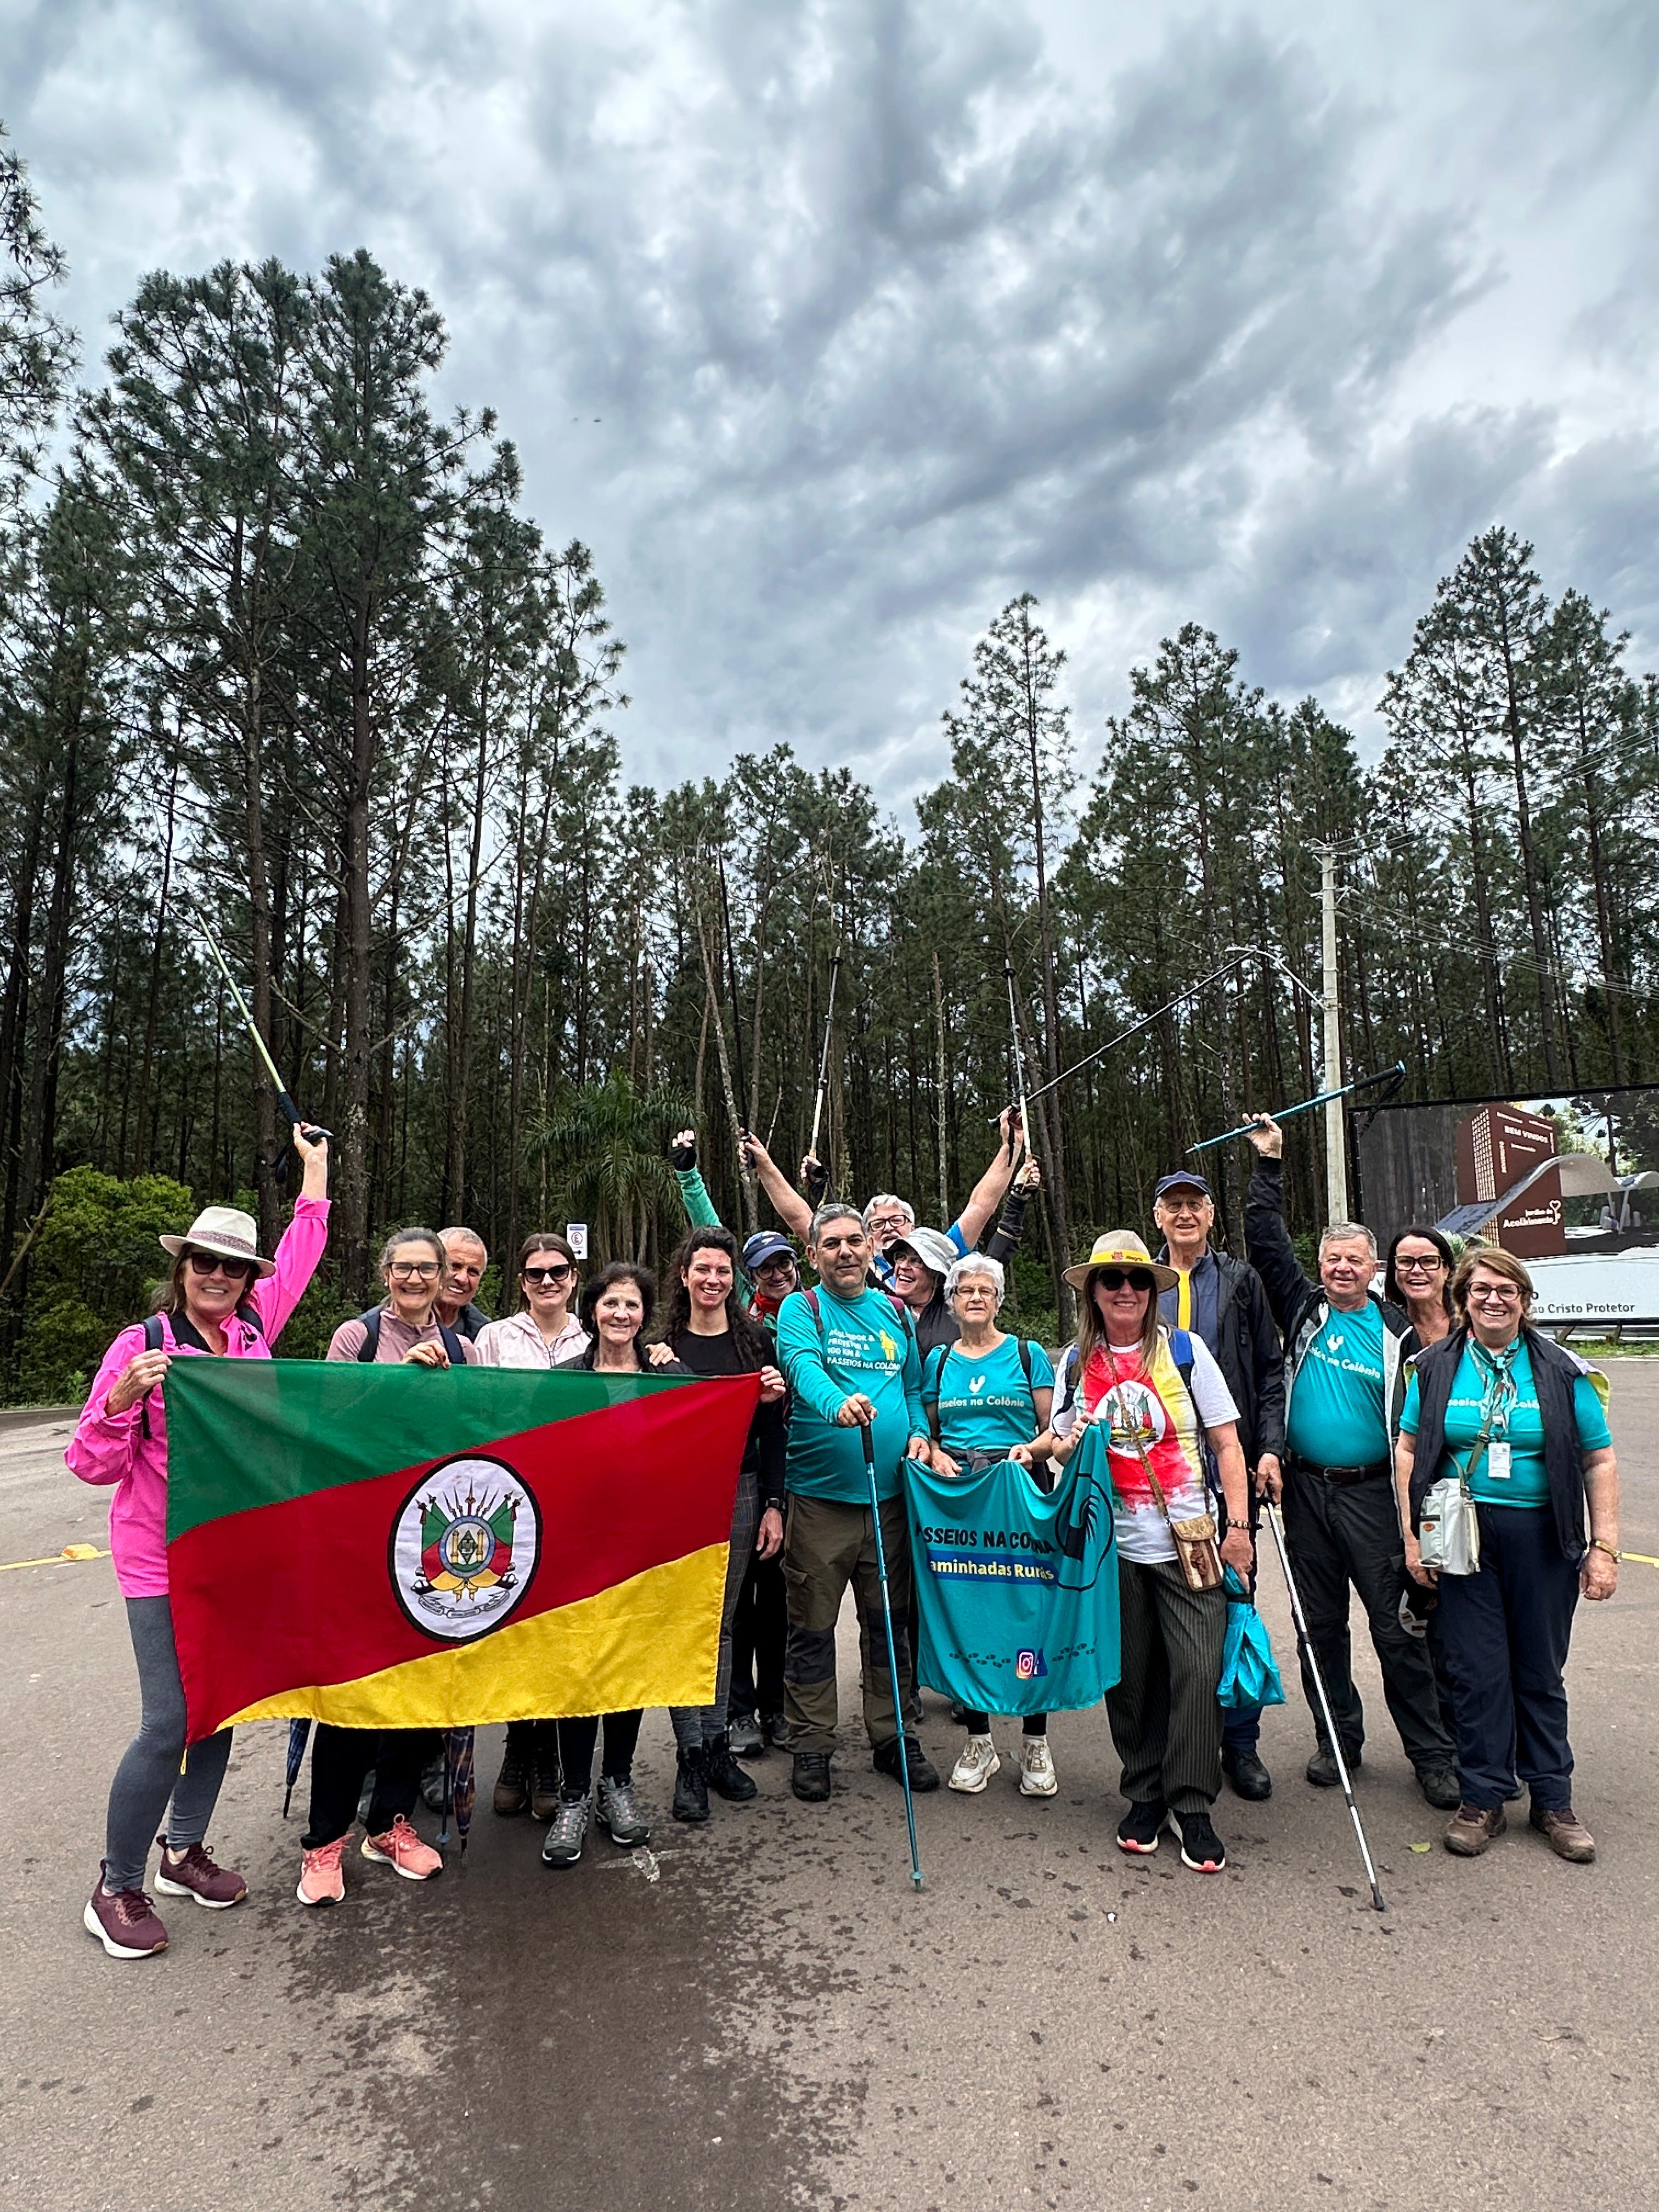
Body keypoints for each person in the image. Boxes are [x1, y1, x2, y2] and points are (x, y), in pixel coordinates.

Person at [70, 1130, 331, 1958]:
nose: (219, 1276)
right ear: (182, 1268)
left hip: (231, 1556)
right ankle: (115, 1885)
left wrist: (315, 1168)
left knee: (219, 1705)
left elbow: (303, 1251)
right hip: (159, 1561)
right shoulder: (143, 1345)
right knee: (168, 1721)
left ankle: (182, 1852)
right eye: (205, 1263)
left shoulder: (253, 1330)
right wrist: (118, 1401)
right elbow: (88, 1463)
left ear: (249, 1280)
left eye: (233, 1267)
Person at [1244, 1116, 1459, 1809]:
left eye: (1355, 1260)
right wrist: (1270, 1164)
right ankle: (1337, 1740)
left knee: (1396, 1631)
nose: (1342, 1268)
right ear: (1322, 1264)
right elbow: (1264, 1239)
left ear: (1374, 1270)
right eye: (1333, 1258)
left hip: (1374, 1497)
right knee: (1319, 1628)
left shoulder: (1399, 1332)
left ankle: (1433, 1755)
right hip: (1305, 1492)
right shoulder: (1303, 1310)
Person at [1396, 1246, 1620, 1862]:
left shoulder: (1562, 1371)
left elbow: (1599, 1459)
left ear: (1525, 1300)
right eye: (1481, 1290)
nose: (1494, 1300)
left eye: (1507, 1290)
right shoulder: (1434, 1367)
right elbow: (1409, 1450)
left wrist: (1604, 1548)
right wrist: (1415, 1538)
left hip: (1542, 1537)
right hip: (1462, 1536)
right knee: (1475, 1672)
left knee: (1539, 1671)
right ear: (1463, 1299)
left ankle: (1553, 1800)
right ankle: (1483, 1799)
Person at [1046, 1233, 1252, 1874]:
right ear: (1094, 1292)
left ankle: (1192, 1803)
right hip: (1111, 1544)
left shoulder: (1186, 1352)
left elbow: (1226, 1444)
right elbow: (1058, 1446)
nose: (1126, 1291)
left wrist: (1239, 1527)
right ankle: (1144, 1792)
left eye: (1138, 1280)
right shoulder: (1076, 1362)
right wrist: (1071, 1441)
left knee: (1196, 1669)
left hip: (1189, 1539)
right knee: (1130, 1675)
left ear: (1153, 1291)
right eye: (1112, 1280)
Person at [296, 1227, 477, 1907]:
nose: (415, 1279)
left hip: (431, 1543)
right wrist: (399, 1378)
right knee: (351, 1693)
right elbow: (330, 1424)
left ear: (443, 1275)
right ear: (385, 1273)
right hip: (362, 1536)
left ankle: (389, 1825)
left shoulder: (465, 1347)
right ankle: (324, 1842)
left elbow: (474, 1432)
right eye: (404, 1267)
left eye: (427, 1268)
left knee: (419, 1687)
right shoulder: (357, 1337)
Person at [774, 1201, 940, 1802]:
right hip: (820, 1501)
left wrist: (919, 1433)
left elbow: (912, 1389)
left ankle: (893, 1735)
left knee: (889, 1625)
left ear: (871, 1248)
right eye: (831, 1244)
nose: (844, 1252)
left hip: (890, 1498)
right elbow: (801, 1366)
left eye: (853, 1241)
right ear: (813, 1254)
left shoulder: (894, 1311)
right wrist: (835, 1404)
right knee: (812, 1627)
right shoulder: (804, 1307)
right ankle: (812, 1743)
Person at [1150, 1170, 1285, 1803]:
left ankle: (1241, 1741)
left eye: (1195, 1205)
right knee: (1165, 1610)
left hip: (1228, 1468)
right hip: (1156, 1476)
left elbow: (1269, 1371)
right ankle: (1174, 1737)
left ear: (1210, 1214)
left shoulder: (1240, 1280)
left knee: (1234, 1600)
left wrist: (1270, 1448)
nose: (1185, 1214)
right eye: (1173, 1205)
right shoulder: (1138, 1282)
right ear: (1158, 1216)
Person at [542, 1263, 680, 1869]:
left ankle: (616, 1785)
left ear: (645, 1315)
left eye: (632, 1305)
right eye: (611, 1304)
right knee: (580, 1670)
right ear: (592, 1310)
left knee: (629, 1667)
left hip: (645, 1548)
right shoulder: (564, 1380)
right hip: (579, 1546)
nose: (621, 1315)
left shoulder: (665, 1377)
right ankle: (573, 1795)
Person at [652, 1227, 788, 1821]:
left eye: (723, 1271)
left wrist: (775, 1504)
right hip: (677, 1497)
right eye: (702, 1269)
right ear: (684, 1275)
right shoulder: (659, 1346)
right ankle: (688, 1756)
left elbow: (774, 1433)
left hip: (741, 1491)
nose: (713, 1279)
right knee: (685, 1626)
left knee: (722, 1623)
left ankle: (715, 1748)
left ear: (735, 1280)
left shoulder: (755, 1342)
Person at [920, 1252, 1058, 1797]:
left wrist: (1030, 1451)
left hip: (1020, 1495)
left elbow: (1052, 1429)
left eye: (985, 1290)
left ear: (998, 1300)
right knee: (970, 1617)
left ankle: (1035, 1741)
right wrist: (935, 1452)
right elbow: (930, 1431)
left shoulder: (1027, 1355)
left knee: (1029, 1616)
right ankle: (979, 1742)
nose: (975, 1298)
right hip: (961, 1503)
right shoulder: (938, 1362)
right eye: (965, 1291)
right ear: (952, 1302)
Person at [473, 1233, 589, 1820]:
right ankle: (521, 1745)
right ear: (521, 1281)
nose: (548, 1281)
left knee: (562, 1630)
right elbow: (472, 1412)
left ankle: (550, 1757)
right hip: (509, 1502)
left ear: (574, 1277)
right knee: (516, 1628)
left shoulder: (594, 1337)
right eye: (536, 1273)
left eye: (558, 1271)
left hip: (576, 1503)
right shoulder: (492, 1339)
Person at [741, 1109, 1024, 1285]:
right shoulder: (856, 1263)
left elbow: (980, 1207)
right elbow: (800, 1218)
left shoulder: (941, 1252)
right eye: (877, 1224)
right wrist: (765, 1166)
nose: (888, 1228)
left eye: (897, 1221)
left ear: (913, 1227)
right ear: (867, 1239)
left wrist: (1011, 1146)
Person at [1385, 1226, 1456, 1352]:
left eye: (1428, 1261)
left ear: (1446, 1270)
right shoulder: (1386, 1328)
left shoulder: (1472, 1322)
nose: (1416, 1270)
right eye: (1406, 1261)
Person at [435, 1226, 491, 1340]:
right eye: (454, 1266)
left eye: (473, 1272)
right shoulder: (396, 1322)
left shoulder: (486, 1337)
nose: (463, 1279)